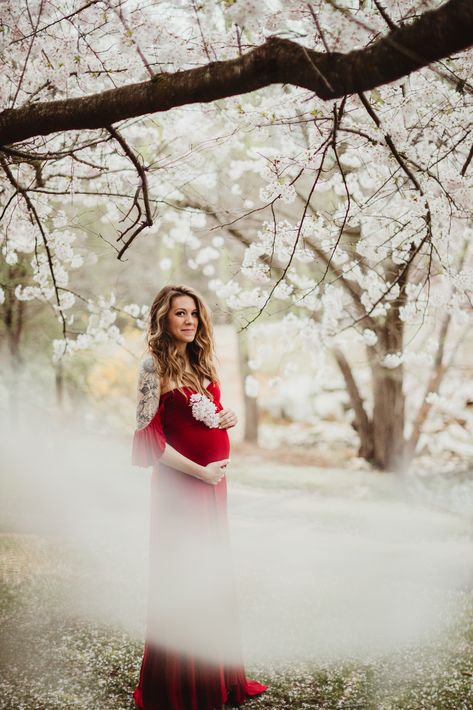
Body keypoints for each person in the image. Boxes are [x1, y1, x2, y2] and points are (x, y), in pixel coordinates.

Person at [131, 284, 268, 710]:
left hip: (212, 489)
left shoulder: (201, 361)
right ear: (163, 319)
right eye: (179, 314)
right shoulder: (152, 367)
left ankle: (214, 678)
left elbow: (211, 419)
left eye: (193, 313)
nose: (189, 320)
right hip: (181, 491)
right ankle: (179, 687)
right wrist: (200, 472)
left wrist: (228, 418)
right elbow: (148, 444)